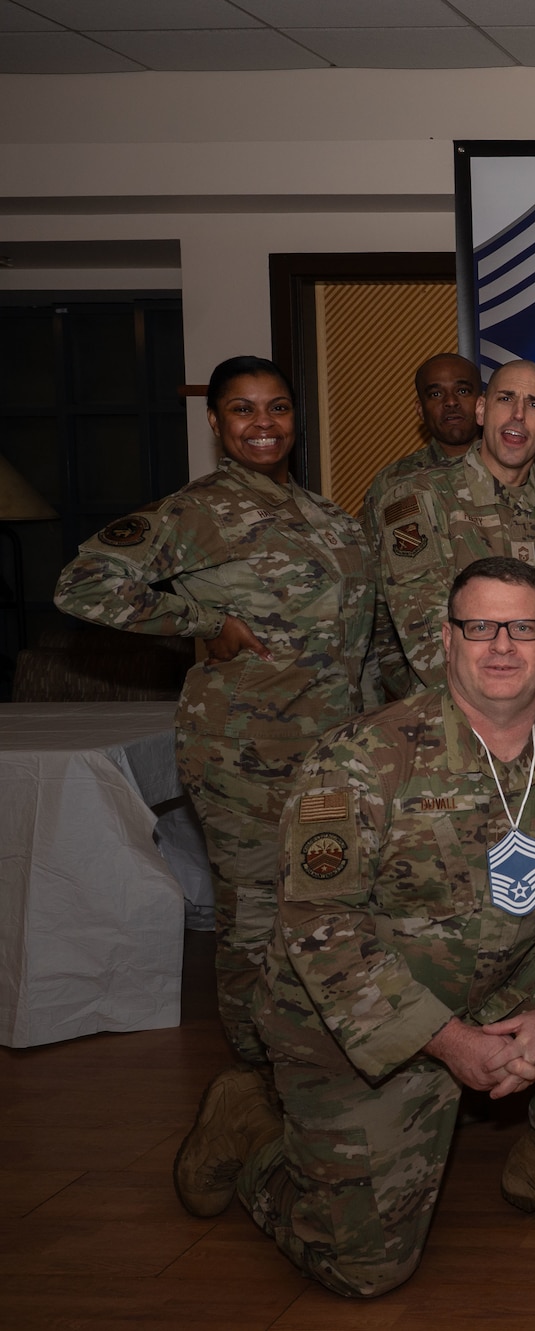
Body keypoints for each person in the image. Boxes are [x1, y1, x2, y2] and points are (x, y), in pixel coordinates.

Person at [171, 557, 535, 1296]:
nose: (502, 644)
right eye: (480, 626)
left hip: (506, 979)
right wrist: (449, 1041)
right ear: (446, 638)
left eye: (523, 626)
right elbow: (322, 929)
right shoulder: (363, 757)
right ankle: (249, 1128)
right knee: (366, 1269)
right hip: (362, 1017)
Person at [54, 355, 373, 1071]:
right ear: (215, 421)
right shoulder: (195, 510)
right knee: (257, 912)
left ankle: (310, 1056)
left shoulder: (327, 515)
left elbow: (358, 639)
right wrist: (198, 618)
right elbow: (83, 583)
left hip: (332, 750)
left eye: (278, 407)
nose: (264, 423)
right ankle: (254, 1072)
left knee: (325, 901)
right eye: (243, 409)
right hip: (243, 750)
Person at [368, 358, 535, 718]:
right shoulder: (418, 498)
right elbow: (424, 631)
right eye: (505, 399)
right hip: (455, 721)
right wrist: (500, 720)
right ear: (482, 410)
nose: (518, 414)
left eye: (534, 405)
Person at [361, 353, 483, 547]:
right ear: (420, 410)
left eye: (463, 391)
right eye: (436, 394)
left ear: (482, 403)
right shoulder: (393, 482)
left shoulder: (523, 469)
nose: (451, 402)